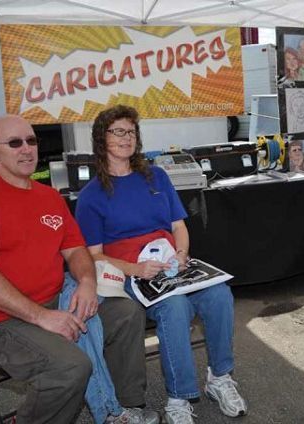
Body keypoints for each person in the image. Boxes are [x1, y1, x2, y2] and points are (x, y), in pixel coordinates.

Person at [0, 114, 157, 424]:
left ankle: (123, 409)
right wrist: (43, 317)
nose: (26, 149)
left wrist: (85, 282)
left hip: (55, 301)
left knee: (126, 314)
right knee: (70, 368)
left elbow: (77, 252)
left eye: (31, 140)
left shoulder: (49, 198)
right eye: (14, 143)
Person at [75, 105, 247, 424]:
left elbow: (178, 225)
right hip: (129, 275)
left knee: (219, 294)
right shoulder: (91, 195)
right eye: (118, 131)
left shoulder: (156, 176)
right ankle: (179, 397)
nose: (127, 138)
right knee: (175, 307)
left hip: (172, 267)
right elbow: (93, 255)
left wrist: (181, 254)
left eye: (131, 131)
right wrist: (136, 269)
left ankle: (219, 378)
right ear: (101, 139)